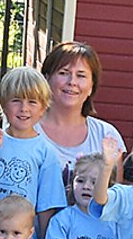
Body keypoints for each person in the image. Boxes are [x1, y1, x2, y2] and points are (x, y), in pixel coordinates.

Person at [0, 67, 70, 239]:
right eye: (16, 101)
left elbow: (46, 207)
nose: (24, 108)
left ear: (43, 107)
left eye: (32, 102)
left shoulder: (46, 153)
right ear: (3, 104)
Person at [37, 41, 125, 181]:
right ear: (47, 79)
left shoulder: (106, 135)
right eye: (63, 73)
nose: (72, 82)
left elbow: (115, 191)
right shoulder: (27, 131)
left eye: (81, 75)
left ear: (91, 86)